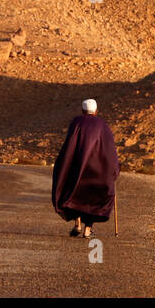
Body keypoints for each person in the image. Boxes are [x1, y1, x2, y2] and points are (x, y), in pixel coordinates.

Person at [51, 98, 120, 238]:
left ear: (82, 111)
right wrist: (114, 167)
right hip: (98, 169)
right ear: (96, 111)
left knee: (75, 193)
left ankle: (77, 223)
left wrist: (63, 164)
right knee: (93, 198)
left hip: (78, 166)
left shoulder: (76, 122)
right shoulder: (102, 125)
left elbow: (69, 145)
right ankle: (87, 229)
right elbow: (109, 149)